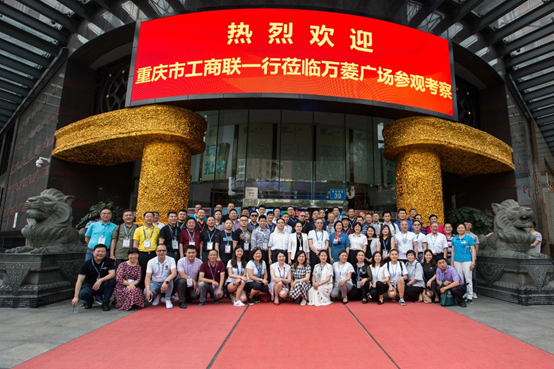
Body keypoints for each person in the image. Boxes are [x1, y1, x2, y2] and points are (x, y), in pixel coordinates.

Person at [71, 244, 116, 311]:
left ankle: (105, 303)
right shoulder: (86, 264)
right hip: (90, 286)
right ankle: (89, 301)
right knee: (83, 294)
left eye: (103, 251)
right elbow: (79, 280)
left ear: (105, 253)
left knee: (112, 281)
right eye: (98, 251)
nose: (100, 253)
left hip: (103, 285)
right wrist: (75, 297)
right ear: (93, 252)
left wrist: (100, 280)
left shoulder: (109, 261)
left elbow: (112, 274)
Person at [133, 212, 160, 289]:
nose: (149, 218)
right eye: (147, 217)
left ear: (153, 218)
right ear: (144, 219)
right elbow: (135, 244)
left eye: (151, 217)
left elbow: (159, 243)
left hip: (153, 254)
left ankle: (151, 291)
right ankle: (140, 291)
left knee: (153, 273)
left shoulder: (157, 230)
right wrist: (135, 256)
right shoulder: (138, 230)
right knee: (142, 273)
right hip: (142, 254)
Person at [144, 244, 177, 309]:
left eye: (163, 250)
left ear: (166, 251)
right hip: (155, 282)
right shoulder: (151, 262)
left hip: (166, 281)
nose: (161, 252)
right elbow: (148, 277)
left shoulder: (171, 260)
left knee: (170, 280)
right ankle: (157, 296)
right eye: (159, 251)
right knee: (145, 291)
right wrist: (148, 290)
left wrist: (166, 282)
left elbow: (174, 273)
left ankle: (167, 299)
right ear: (156, 252)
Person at [451, 223, 476, 304]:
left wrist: (473, 262)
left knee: (468, 277)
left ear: (465, 229)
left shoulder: (469, 238)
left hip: (467, 260)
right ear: (457, 229)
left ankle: (469, 296)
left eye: (462, 228)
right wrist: (452, 262)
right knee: (460, 279)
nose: (460, 229)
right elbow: (453, 251)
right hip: (457, 260)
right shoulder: (454, 239)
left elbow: (473, 250)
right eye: (459, 228)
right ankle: (462, 294)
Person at [464, 219, 480, 299]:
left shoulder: (474, 236)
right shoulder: (460, 236)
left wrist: (473, 258)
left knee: (473, 276)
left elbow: (476, 248)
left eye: (469, 224)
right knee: (464, 276)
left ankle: (474, 291)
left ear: (471, 226)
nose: (467, 226)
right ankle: (466, 291)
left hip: (471, 258)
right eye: (466, 224)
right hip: (463, 258)